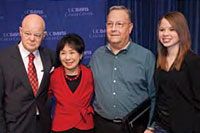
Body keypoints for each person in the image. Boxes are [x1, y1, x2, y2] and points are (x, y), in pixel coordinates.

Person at [89, 6, 156, 133]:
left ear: (130, 28)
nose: (113, 29)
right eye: (110, 24)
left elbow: (155, 96)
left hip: (135, 127)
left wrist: (151, 127)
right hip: (102, 126)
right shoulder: (97, 56)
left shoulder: (145, 57)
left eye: (119, 24)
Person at [0, 14, 57, 133]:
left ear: (44, 35)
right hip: (14, 127)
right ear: (20, 31)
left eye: (37, 35)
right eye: (27, 33)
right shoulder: (3, 59)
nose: (32, 39)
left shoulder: (51, 57)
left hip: (43, 126)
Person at [149, 11, 200, 133]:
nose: (165, 34)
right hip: (161, 127)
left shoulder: (192, 61)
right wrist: (151, 126)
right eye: (162, 30)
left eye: (172, 29)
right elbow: (160, 97)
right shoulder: (159, 60)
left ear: (181, 32)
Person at [49, 33, 94, 133]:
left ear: (81, 54)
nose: (67, 58)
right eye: (63, 53)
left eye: (72, 52)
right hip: (61, 126)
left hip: (85, 125)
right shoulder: (53, 75)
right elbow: (44, 98)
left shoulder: (89, 74)